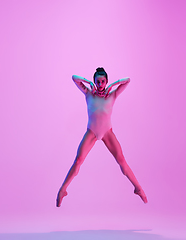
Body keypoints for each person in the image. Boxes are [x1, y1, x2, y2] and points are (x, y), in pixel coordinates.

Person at [56, 67, 147, 207]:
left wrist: (112, 85)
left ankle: (138, 188)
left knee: (122, 161)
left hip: (107, 132)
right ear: (94, 82)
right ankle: (63, 190)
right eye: (97, 82)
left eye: (103, 81)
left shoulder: (112, 95)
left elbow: (127, 81)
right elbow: (74, 77)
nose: (100, 84)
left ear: (106, 82)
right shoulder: (88, 93)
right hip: (92, 131)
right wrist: (88, 83)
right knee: (78, 160)